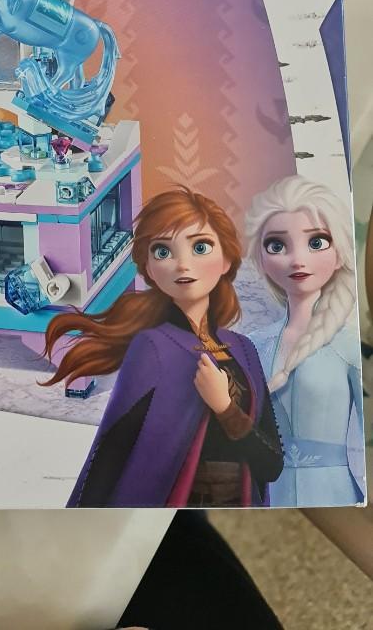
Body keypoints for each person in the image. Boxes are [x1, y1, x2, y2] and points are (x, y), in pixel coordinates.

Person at [44, 187, 283, 507]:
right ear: (149, 268)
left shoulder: (244, 350)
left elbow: (271, 465)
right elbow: (112, 453)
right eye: (162, 251)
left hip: (239, 514)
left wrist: (225, 409)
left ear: (226, 259)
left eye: (200, 247)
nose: (182, 265)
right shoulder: (153, 348)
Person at [245, 175, 365, 506]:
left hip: (335, 495)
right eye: (277, 246)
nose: (297, 259)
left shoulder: (347, 346)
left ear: (339, 253)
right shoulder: (253, 345)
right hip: (266, 495)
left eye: (316, 242)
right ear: (261, 258)